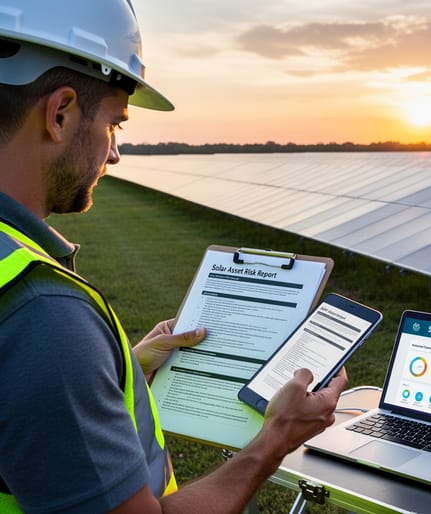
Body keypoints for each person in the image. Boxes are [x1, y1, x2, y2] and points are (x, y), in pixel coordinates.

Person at [0, 1, 348, 512]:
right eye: (114, 124)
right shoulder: (44, 315)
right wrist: (277, 436)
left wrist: (122, 372)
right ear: (60, 113)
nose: (114, 152)